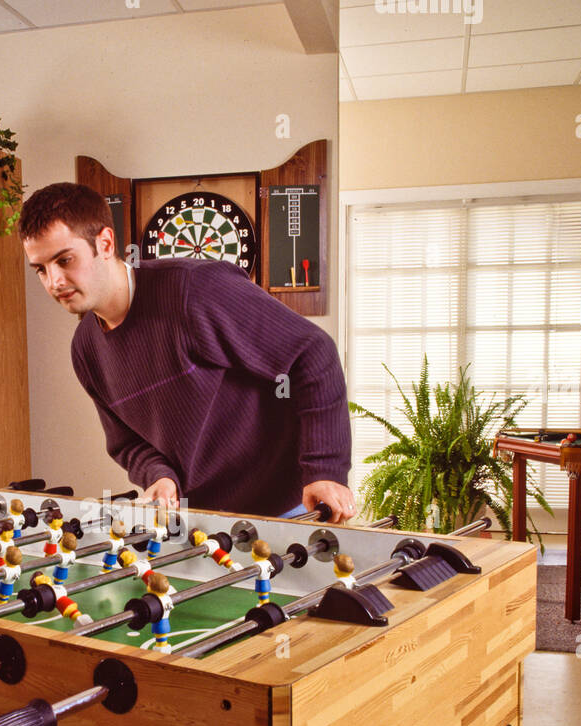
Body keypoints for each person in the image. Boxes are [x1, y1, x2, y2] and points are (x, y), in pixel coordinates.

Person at [19, 182, 356, 522]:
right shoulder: (85, 349)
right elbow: (128, 443)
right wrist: (159, 476)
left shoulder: (195, 291)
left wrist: (325, 470)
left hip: (289, 511)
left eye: (65, 260)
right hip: (202, 521)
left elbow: (313, 353)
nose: (54, 281)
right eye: (41, 269)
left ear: (104, 243)